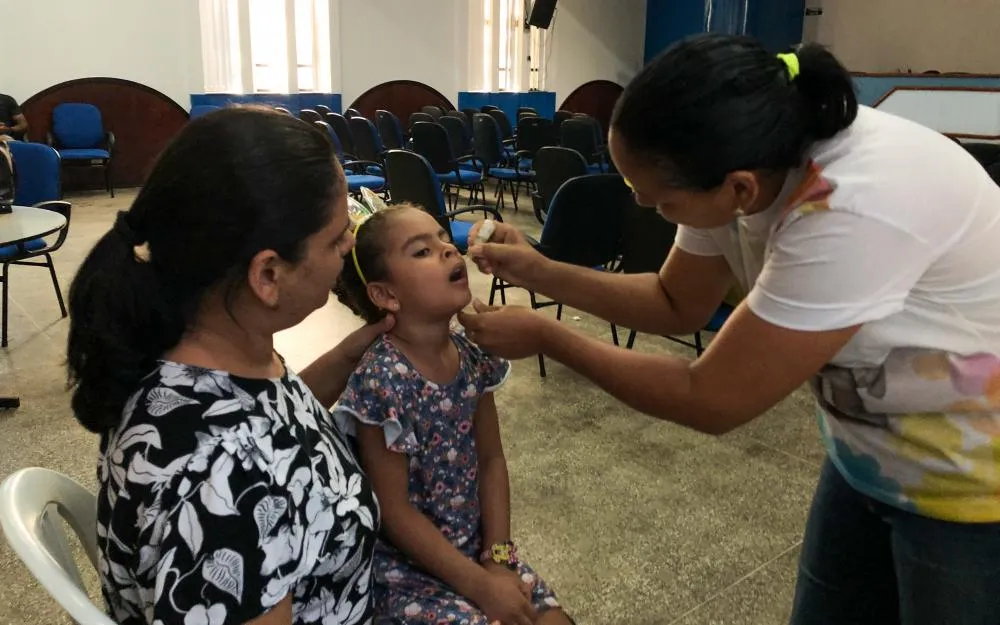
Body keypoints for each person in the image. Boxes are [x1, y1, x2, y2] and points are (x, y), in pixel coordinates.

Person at [459, 34, 1000, 625]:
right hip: (868, 453)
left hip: (971, 484)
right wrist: (541, 271)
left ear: (738, 187)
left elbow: (713, 397)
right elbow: (675, 301)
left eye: (661, 202)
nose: (645, 208)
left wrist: (547, 336)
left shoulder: (851, 203)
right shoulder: (738, 158)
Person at [67, 107, 393, 625]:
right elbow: (247, 466)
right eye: (336, 239)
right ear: (268, 274)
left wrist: (351, 354)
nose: (350, 245)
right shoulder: (218, 491)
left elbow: (272, 427)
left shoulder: (211, 345)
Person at [331, 203, 571, 625]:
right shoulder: (382, 378)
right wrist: (480, 586)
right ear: (386, 295)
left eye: (444, 239)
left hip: (477, 549)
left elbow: (491, 459)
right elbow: (394, 509)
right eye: (421, 251)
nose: (447, 250)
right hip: (411, 571)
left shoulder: (471, 353)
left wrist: (498, 558)